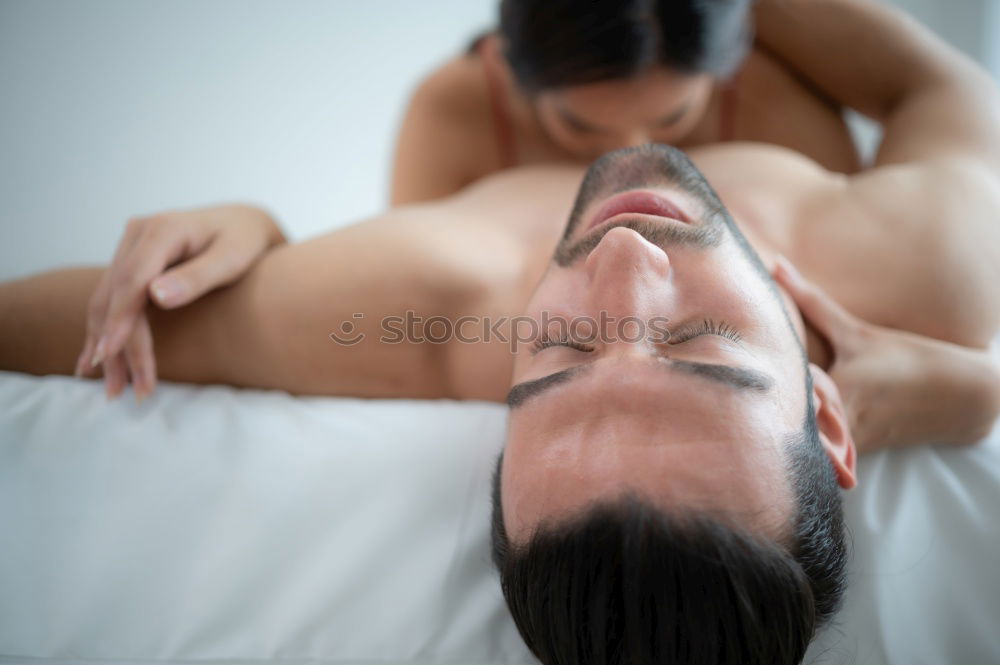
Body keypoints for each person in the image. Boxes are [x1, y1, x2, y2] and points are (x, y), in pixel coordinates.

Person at [2, 1, 1000, 662]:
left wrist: (254, 229)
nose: (622, 259)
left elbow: (39, 326)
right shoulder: (931, 268)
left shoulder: (419, 300)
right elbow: (944, 87)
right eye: (703, 342)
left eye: (555, 357)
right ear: (829, 416)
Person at [390, 0, 862, 204]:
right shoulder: (452, 109)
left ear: (728, 68)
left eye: (673, 117)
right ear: (502, 63)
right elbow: (416, 294)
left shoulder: (780, 103)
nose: (631, 157)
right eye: (581, 126)